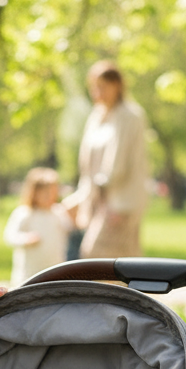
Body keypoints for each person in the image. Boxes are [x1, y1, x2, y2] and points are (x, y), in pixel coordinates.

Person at [63, 60, 149, 258]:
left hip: (120, 202)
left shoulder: (130, 116)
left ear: (117, 85)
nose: (97, 92)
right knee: (116, 261)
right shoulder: (97, 116)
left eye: (102, 86)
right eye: (94, 87)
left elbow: (118, 164)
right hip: (98, 200)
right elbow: (88, 163)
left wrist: (110, 203)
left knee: (98, 255)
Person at [3, 167, 72, 286]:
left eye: (53, 192)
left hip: (55, 271)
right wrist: (25, 238)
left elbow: (69, 229)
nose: (50, 196)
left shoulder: (58, 212)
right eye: (45, 193)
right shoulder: (25, 213)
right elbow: (10, 235)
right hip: (29, 274)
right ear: (33, 193)